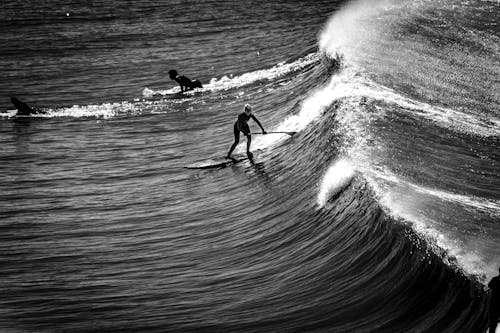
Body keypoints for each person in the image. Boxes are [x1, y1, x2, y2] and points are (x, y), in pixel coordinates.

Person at [489, 267, 500, 333]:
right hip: (496, 304)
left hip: (493, 304)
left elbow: (489, 285)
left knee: (493, 325)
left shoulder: (495, 279)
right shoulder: (495, 279)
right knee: (493, 325)